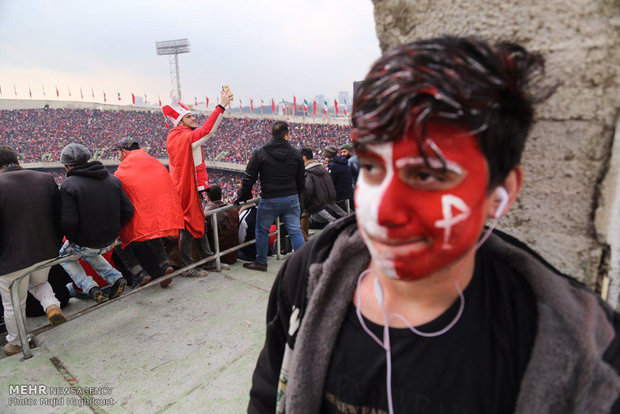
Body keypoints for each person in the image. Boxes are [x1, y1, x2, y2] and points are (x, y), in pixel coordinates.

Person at [248, 37, 620, 413]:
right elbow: (267, 395)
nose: (384, 212)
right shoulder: (307, 274)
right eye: (373, 168)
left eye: (426, 175)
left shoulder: (584, 353)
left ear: (500, 192)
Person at [0, 146, 67, 356]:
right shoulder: (46, 179)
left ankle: (17, 341)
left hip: (11, 258)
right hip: (45, 250)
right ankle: (51, 305)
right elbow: (59, 217)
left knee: (13, 302)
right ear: (17, 160)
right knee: (39, 282)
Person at [163, 87, 233, 278]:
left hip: (191, 188)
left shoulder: (181, 135)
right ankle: (187, 266)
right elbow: (207, 131)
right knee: (187, 226)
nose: (194, 118)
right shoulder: (181, 137)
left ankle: (209, 260)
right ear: (180, 121)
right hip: (184, 190)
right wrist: (221, 106)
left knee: (198, 222)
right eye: (189, 117)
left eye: (193, 116)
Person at [58, 143, 133, 304]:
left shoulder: (69, 185)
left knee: (64, 256)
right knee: (88, 253)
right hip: (111, 240)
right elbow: (128, 211)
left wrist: (73, 239)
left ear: (69, 166)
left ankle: (89, 287)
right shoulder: (112, 180)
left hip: (88, 242)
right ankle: (115, 278)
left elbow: (69, 222)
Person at [113, 138, 184, 288]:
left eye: (118, 153)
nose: (118, 156)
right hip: (158, 217)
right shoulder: (155, 163)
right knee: (153, 232)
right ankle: (165, 265)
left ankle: (139, 273)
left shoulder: (121, 171)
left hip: (138, 221)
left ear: (124, 151)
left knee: (119, 242)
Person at [236, 121, 305, 272]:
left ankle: (261, 262)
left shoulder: (260, 152)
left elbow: (249, 178)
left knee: (262, 231)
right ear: (287, 135)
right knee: (295, 230)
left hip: (269, 199)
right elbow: (301, 180)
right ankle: (302, 263)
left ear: (272, 134)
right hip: (291, 197)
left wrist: (244, 196)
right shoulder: (296, 153)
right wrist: (296, 194)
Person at [299, 147, 346, 240]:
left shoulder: (308, 171)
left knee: (308, 207)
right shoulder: (321, 167)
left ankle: (332, 221)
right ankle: (344, 217)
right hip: (329, 197)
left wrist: (304, 203)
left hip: (319, 203)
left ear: (304, 158)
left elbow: (308, 190)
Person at [205, 184, 239, 265]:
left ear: (208, 198)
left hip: (218, 257)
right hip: (233, 255)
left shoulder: (208, 215)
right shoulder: (234, 210)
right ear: (221, 196)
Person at [324, 145, 353, 212]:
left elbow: (330, 182)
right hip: (347, 194)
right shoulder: (343, 163)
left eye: (325, 157)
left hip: (340, 197)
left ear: (329, 157)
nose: (325, 159)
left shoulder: (333, 167)